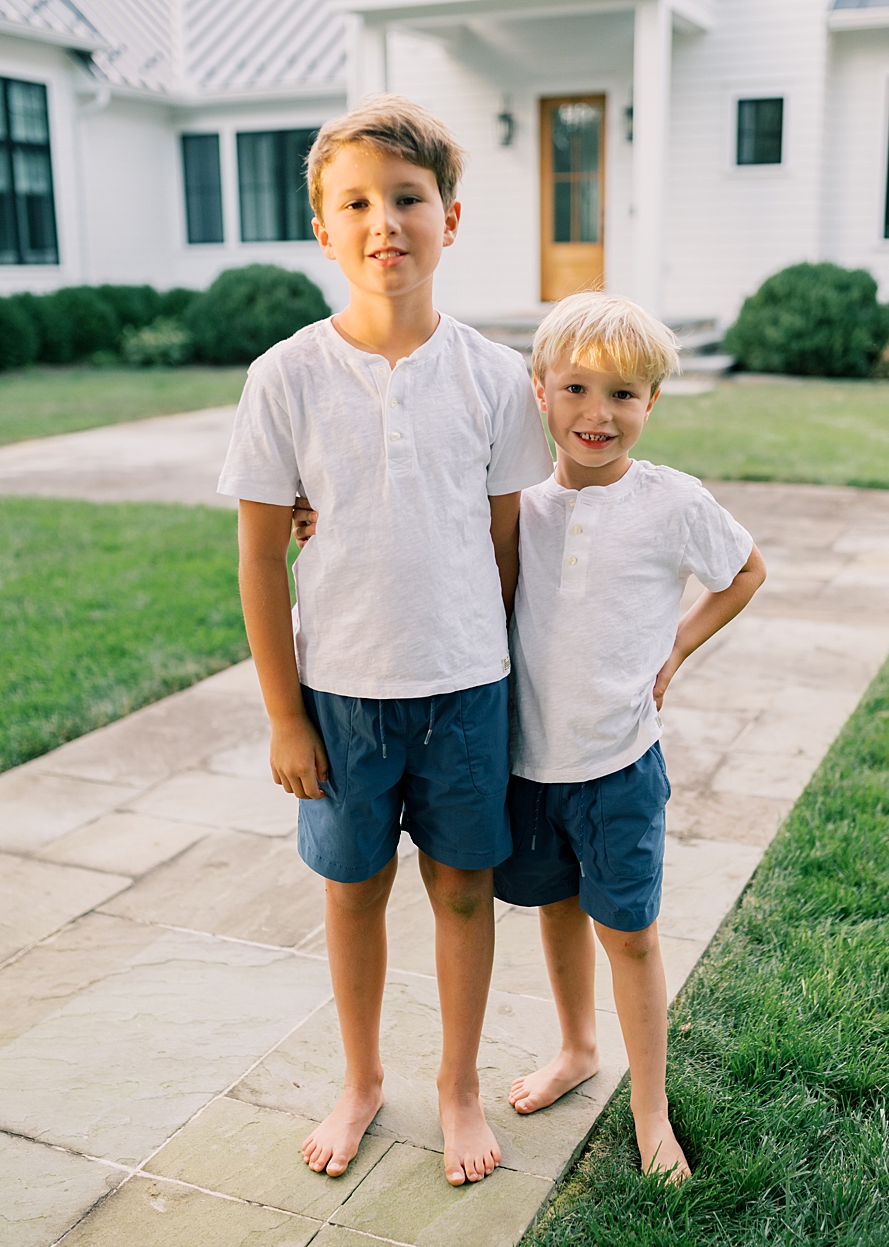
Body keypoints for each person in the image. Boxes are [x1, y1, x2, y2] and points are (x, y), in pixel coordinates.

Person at [219, 96, 552, 1186]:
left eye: (407, 198)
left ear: (449, 217)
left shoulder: (498, 378)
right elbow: (263, 558)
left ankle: (456, 1085)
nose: (384, 222)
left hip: (464, 689)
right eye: (355, 202)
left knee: (462, 890)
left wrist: (511, 681)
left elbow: (510, 548)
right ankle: (361, 1076)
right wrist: (282, 713)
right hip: (340, 696)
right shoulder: (285, 378)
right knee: (353, 889)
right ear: (322, 227)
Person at [488, 292, 764, 1180]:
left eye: (623, 394)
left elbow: (746, 570)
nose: (597, 414)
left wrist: (678, 645)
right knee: (555, 908)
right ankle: (575, 1047)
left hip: (619, 765)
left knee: (631, 934)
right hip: (527, 764)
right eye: (575, 388)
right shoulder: (518, 502)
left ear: (653, 403)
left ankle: (651, 1111)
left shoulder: (671, 501)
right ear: (539, 389)